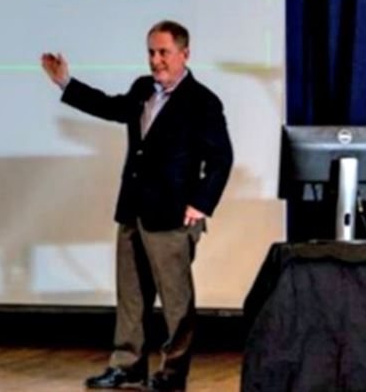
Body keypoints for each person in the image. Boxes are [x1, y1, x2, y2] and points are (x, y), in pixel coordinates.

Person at [41, 20, 233, 391]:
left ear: (184, 53)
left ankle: (172, 373)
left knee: (176, 302)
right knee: (131, 295)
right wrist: (66, 83)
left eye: (163, 52)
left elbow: (221, 158)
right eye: (151, 52)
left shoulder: (203, 101)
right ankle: (127, 366)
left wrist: (200, 204)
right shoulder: (143, 88)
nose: (156, 60)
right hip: (133, 208)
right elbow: (112, 107)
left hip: (173, 214)